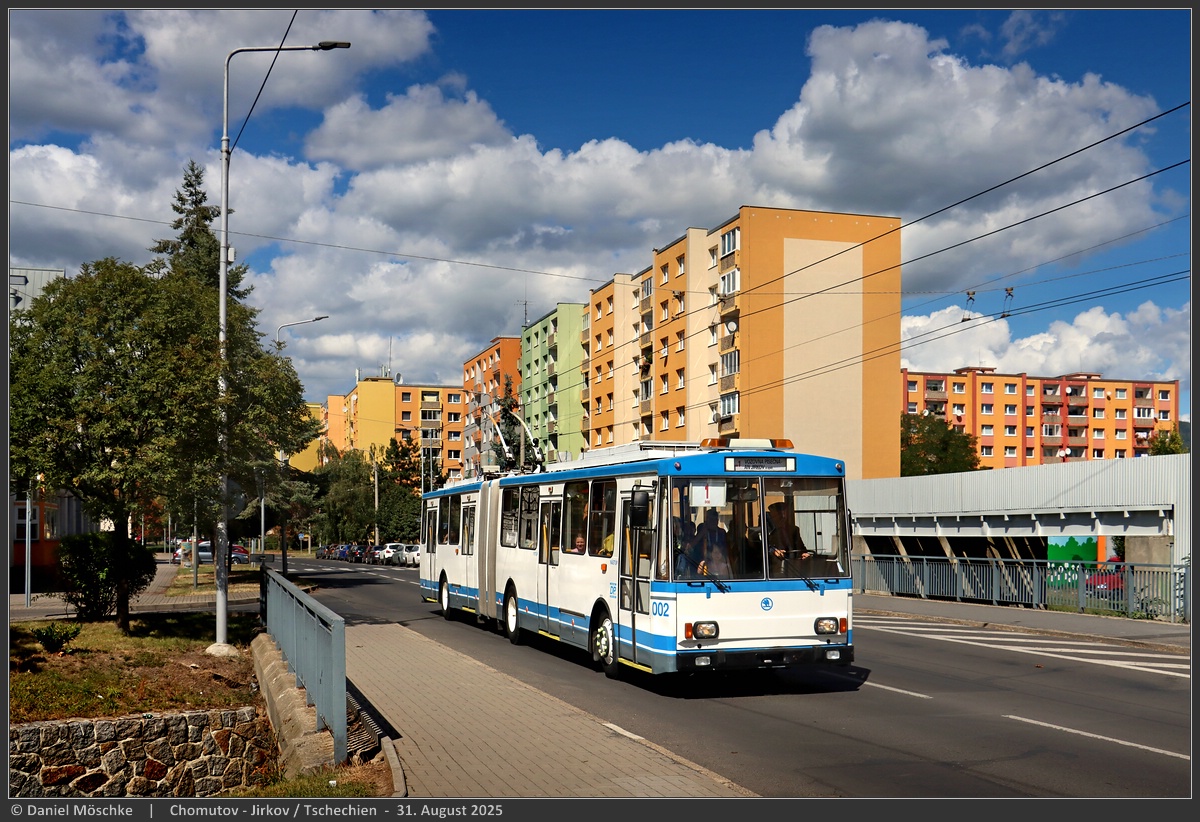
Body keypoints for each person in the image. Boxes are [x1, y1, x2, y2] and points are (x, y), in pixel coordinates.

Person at [767, 501, 810, 575]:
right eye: (779, 516)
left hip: (795, 568)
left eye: (784, 515)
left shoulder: (794, 530)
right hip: (776, 569)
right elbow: (764, 549)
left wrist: (805, 554)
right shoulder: (768, 532)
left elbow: (802, 548)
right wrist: (774, 552)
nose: (782, 518)